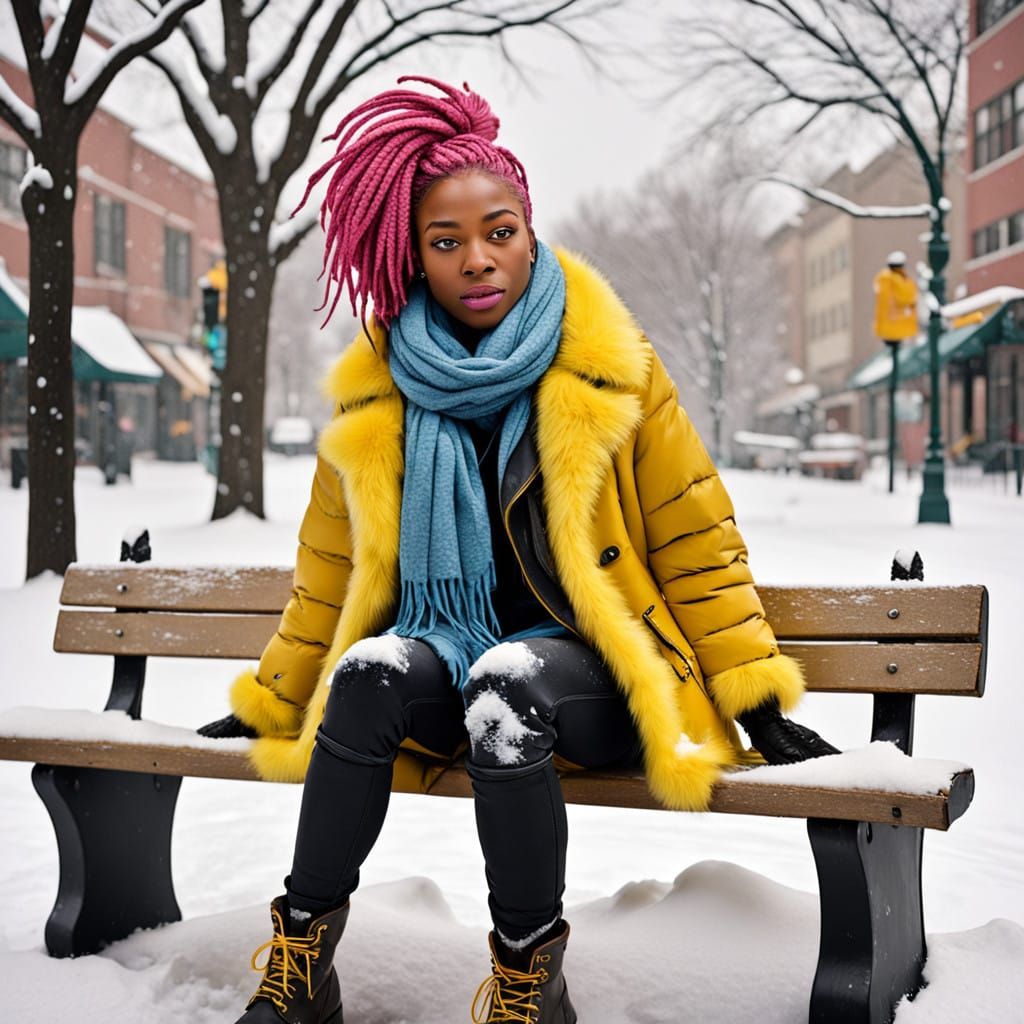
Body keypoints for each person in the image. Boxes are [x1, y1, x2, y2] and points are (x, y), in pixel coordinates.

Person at [200, 76, 838, 1024]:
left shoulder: (613, 365)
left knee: (505, 684)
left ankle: (529, 977)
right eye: (445, 242)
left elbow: (695, 539)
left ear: (530, 228)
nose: (478, 260)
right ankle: (302, 961)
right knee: (371, 672)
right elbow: (331, 574)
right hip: (441, 658)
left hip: (590, 678)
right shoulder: (380, 390)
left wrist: (754, 692)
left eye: (498, 230)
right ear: (411, 255)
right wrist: (281, 694)